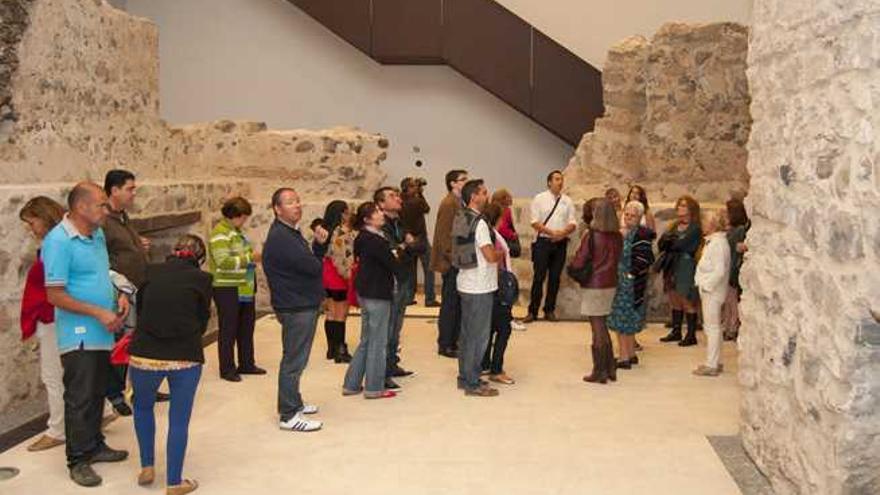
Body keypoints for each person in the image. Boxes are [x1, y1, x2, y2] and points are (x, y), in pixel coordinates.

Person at [43, 182, 130, 487]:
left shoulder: (97, 233)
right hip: (79, 332)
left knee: (97, 391)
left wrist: (118, 294)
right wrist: (98, 312)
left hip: (103, 330)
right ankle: (78, 459)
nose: (107, 210)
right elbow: (54, 294)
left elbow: (101, 272)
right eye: (101, 204)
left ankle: (94, 445)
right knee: (80, 396)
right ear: (81, 208)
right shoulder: (58, 241)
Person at [128, 235, 212, 495]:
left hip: (144, 354)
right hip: (184, 355)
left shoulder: (150, 270)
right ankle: (174, 482)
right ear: (200, 258)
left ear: (174, 252)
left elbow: (140, 309)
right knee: (178, 420)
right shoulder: (203, 279)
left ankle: (147, 467)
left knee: (142, 408)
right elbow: (202, 317)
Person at [262, 188, 325, 432]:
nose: (297, 205)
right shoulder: (282, 237)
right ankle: (288, 414)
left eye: (298, 201)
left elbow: (308, 264)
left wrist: (317, 247)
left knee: (297, 358)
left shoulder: (290, 232)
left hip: (300, 302)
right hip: (295, 305)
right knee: (293, 360)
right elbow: (312, 266)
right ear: (277, 209)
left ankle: (294, 401)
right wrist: (319, 247)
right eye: (290, 202)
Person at [343, 201, 408, 399]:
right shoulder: (375, 241)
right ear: (367, 219)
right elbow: (393, 264)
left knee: (367, 339)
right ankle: (374, 387)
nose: (381, 214)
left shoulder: (362, 238)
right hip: (377, 292)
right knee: (378, 341)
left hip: (365, 291)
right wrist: (399, 253)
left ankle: (352, 384)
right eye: (377, 212)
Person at [102, 169, 152, 415]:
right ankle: (115, 394)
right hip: (119, 292)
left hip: (137, 287)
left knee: (138, 341)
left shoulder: (122, 217)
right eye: (130, 189)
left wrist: (138, 245)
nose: (134, 193)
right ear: (114, 190)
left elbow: (123, 248)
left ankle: (141, 387)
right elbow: (104, 259)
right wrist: (119, 290)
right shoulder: (103, 221)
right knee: (120, 343)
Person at [19, 196, 67, 452]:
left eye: (32, 222)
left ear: (44, 217)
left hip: (54, 316)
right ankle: (101, 411)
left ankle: (58, 430)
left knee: (53, 375)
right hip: (61, 315)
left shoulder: (54, 245)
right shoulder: (65, 239)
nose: (30, 228)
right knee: (75, 371)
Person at [208, 196, 265, 382]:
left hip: (244, 286)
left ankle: (247, 363)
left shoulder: (236, 232)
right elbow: (223, 261)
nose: (245, 221)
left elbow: (242, 254)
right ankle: (227, 368)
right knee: (229, 329)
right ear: (235, 215)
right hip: (227, 287)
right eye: (243, 217)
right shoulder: (220, 234)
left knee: (246, 327)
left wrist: (249, 257)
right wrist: (250, 259)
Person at [456, 179, 504, 397]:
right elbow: (488, 255)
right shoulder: (481, 223)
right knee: (479, 336)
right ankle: (472, 382)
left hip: (465, 281)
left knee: (467, 334)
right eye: (484, 192)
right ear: (474, 196)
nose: (487, 195)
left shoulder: (461, 217)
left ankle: (464, 376)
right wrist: (500, 254)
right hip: (480, 285)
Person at [570, 199, 623, 384]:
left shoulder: (591, 235)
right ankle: (610, 367)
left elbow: (580, 259)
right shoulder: (618, 236)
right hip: (611, 283)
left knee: (597, 327)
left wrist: (574, 268)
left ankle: (599, 370)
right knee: (603, 324)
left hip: (594, 284)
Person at [376, 186, 418, 385]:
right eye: (392, 196)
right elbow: (391, 253)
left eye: (397, 195)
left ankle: (392, 363)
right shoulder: (381, 226)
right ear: (381, 204)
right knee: (388, 327)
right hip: (388, 281)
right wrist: (405, 245)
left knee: (397, 326)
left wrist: (406, 246)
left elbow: (418, 246)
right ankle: (382, 372)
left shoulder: (399, 222)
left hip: (403, 278)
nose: (398, 199)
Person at [607, 201, 656, 368]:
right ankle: (630, 354)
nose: (628, 218)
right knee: (624, 321)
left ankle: (624, 357)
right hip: (620, 281)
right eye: (626, 214)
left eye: (632, 215)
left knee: (623, 322)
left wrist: (630, 275)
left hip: (629, 284)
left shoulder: (641, 235)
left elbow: (644, 259)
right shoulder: (623, 232)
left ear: (640, 217)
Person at [526, 170, 577, 323]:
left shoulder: (567, 201)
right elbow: (534, 222)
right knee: (539, 277)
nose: (560, 182)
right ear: (549, 182)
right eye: (556, 179)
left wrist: (561, 233)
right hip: (543, 242)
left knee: (555, 278)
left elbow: (573, 222)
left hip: (560, 243)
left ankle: (549, 310)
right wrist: (552, 232)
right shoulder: (539, 198)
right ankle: (532, 311)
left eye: (561, 179)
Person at [431, 169, 468, 358]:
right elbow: (444, 234)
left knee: (456, 304)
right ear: (453, 183)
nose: (466, 182)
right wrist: (453, 258)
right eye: (463, 180)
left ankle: (453, 341)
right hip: (451, 261)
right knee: (450, 304)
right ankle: (445, 344)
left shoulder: (460, 201)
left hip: (458, 259)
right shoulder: (449, 203)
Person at [657, 196, 703, 346]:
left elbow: (682, 245)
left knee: (686, 298)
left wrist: (671, 242)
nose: (680, 208)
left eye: (684, 206)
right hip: (671, 264)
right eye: (679, 205)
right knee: (673, 297)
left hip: (685, 264)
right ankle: (676, 331)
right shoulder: (673, 225)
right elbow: (662, 243)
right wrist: (670, 242)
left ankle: (691, 334)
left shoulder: (695, 228)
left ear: (691, 209)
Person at [480, 202, 515, 385]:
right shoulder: (491, 234)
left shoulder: (491, 232)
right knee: (503, 329)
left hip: (495, 285)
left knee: (492, 326)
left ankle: (485, 363)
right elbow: (493, 257)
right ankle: (496, 368)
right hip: (497, 286)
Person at [693, 210, 731, 376]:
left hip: (712, 292)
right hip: (711, 290)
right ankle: (716, 361)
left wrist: (706, 286)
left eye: (705, 221)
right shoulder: (714, 241)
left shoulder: (718, 244)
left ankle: (712, 364)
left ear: (713, 225)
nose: (702, 224)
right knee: (713, 327)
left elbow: (719, 271)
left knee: (712, 328)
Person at [320, 200, 354, 363]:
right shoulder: (341, 232)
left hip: (327, 273)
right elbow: (342, 257)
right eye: (347, 213)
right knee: (341, 313)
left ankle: (331, 348)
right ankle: (341, 349)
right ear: (341, 214)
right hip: (338, 275)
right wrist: (349, 276)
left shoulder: (325, 231)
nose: (349, 216)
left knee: (330, 312)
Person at [491, 189, 526, 332]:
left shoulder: (498, 210)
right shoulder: (503, 211)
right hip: (503, 251)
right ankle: (507, 319)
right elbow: (504, 228)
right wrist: (513, 234)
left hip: (502, 251)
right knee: (506, 287)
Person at [400, 177, 438, 307]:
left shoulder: (399, 201)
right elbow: (426, 208)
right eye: (413, 186)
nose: (416, 187)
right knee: (429, 268)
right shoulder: (416, 201)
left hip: (406, 239)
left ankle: (408, 297)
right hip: (420, 238)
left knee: (410, 270)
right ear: (408, 188)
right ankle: (430, 299)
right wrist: (420, 193)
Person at [722, 198, 749, 341]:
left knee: (732, 302)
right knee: (728, 301)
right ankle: (727, 325)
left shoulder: (739, 230)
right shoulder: (732, 229)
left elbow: (736, 248)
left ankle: (732, 327)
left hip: (732, 268)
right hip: (727, 267)